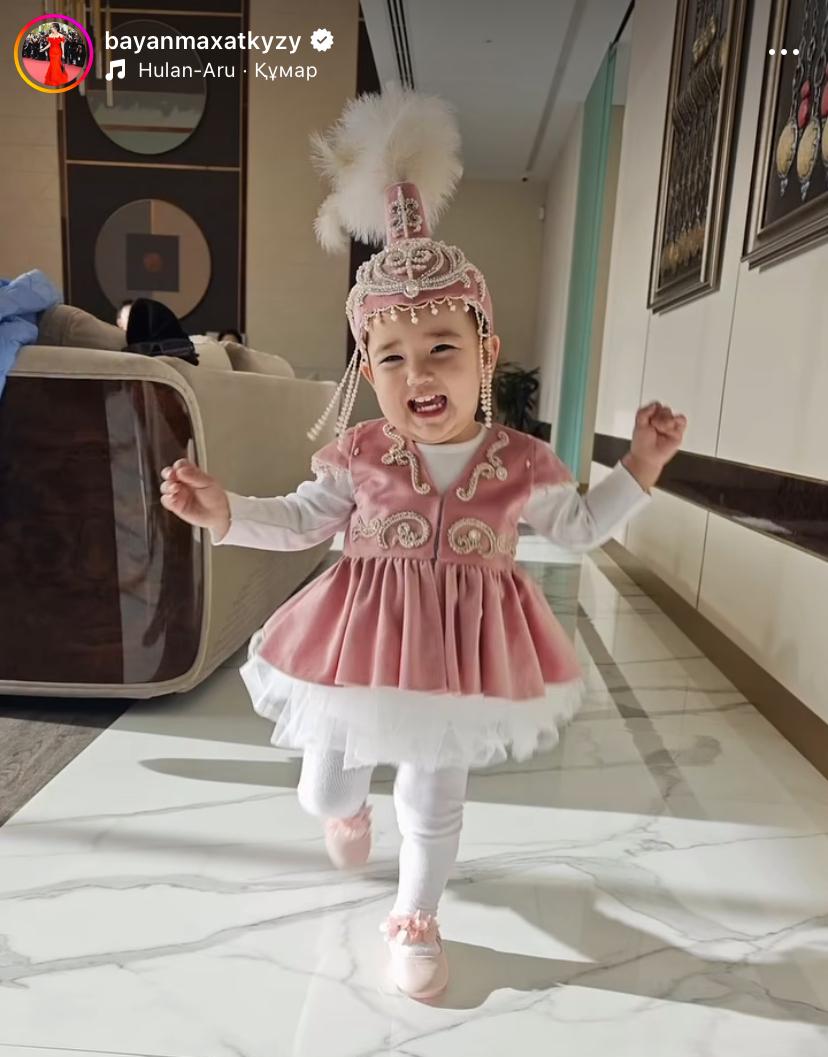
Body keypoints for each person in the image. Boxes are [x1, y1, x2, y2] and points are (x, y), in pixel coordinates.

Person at [159, 86, 686, 1001]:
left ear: (487, 353)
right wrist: (224, 511)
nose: (419, 374)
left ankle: (417, 914)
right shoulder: (362, 452)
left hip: (459, 652)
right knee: (325, 791)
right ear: (369, 371)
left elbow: (579, 528)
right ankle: (344, 808)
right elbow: (302, 517)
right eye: (393, 358)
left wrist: (639, 465)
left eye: (442, 347)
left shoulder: (518, 461)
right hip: (356, 645)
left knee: (435, 791)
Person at [41, 23, 69, 87]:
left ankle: (56, 80)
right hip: (51, 52)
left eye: (52, 27)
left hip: (58, 52)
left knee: (56, 65)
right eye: (51, 27)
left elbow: (62, 46)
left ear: (56, 28)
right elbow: (49, 44)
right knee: (52, 65)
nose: (51, 28)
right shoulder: (50, 35)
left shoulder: (61, 36)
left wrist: (63, 54)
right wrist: (43, 49)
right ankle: (52, 79)